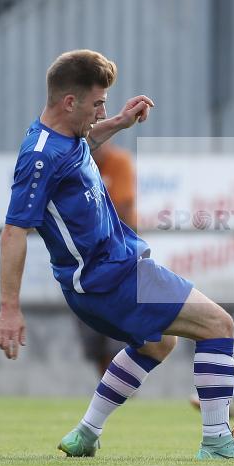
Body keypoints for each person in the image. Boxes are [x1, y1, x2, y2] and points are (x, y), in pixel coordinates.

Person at [0, 49, 234, 460]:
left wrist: (119, 122)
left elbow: (80, 146)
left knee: (159, 344)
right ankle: (217, 440)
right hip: (110, 277)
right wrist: (9, 307)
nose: (102, 111)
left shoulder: (61, 138)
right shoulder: (40, 156)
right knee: (218, 324)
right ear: (70, 102)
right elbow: (13, 230)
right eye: (98, 103)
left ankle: (86, 432)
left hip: (108, 274)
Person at [74, 141, 138, 377]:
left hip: (117, 257)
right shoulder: (74, 164)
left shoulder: (118, 162)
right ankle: (109, 392)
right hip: (85, 263)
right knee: (95, 339)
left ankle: (121, 393)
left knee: (118, 337)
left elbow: (121, 209)